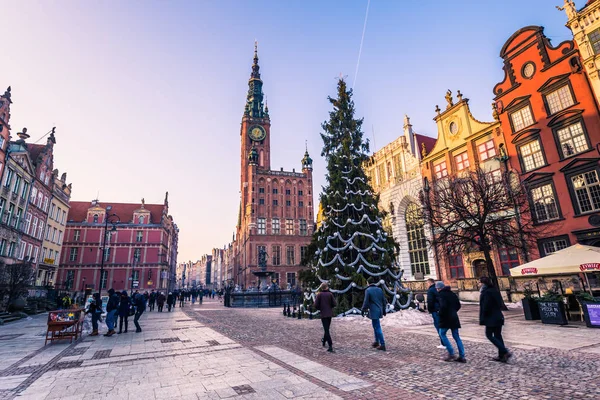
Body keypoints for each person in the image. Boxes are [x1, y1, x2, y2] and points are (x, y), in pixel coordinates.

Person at [479, 276, 512, 362]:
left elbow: (486, 306)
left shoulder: (486, 292)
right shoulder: (494, 290)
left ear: (483, 283)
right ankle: (502, 356)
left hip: (491, 317)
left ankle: (505, 351)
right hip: (498, 316)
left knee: (489, 335)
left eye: (479, 282)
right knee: (498, 335)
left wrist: (483, 316)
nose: (479, 284)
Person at [437, 281, 466, 362]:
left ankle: (451, 353)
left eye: (437, 288)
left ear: (439, 288)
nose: (437, 290)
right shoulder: (452, 294)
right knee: (456, 336)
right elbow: (458, 305)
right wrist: (453, 311)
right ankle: (462, 355)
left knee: (442, 334)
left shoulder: (441, 295)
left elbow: (443, 306)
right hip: (454, 317)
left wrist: (440, 313)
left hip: (446, 318)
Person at [361, 280, 387, 351]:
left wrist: (363, 309)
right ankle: (377, 341)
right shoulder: (379, 290)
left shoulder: (368, 290)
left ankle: (382, 344)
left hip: (373, 311)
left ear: (368, 283)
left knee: (377, 327)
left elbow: (366, 301)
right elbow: (383, 300)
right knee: (375, 326)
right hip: (379, 310)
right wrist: (384, 310)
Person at [314, 283, 336, 352]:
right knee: (327, 328)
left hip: (323, 314)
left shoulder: (319, 295)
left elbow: (316, 305)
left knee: (326, 329)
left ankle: (330, 345)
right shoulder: (330, 294)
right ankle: (324, 341)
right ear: (327, 287)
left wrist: (320, 308)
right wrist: (330, 307)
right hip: (329, 314)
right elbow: (334, 304)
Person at [427, 278, 446, 349]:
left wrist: (430, 310)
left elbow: (430, 301)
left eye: (427, 283)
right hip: (440, 309)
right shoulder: (437, 289)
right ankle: (444, 342)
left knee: (438, 326)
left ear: (429, 283)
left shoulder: (431, 290)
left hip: (435, 310)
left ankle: (443, 343)